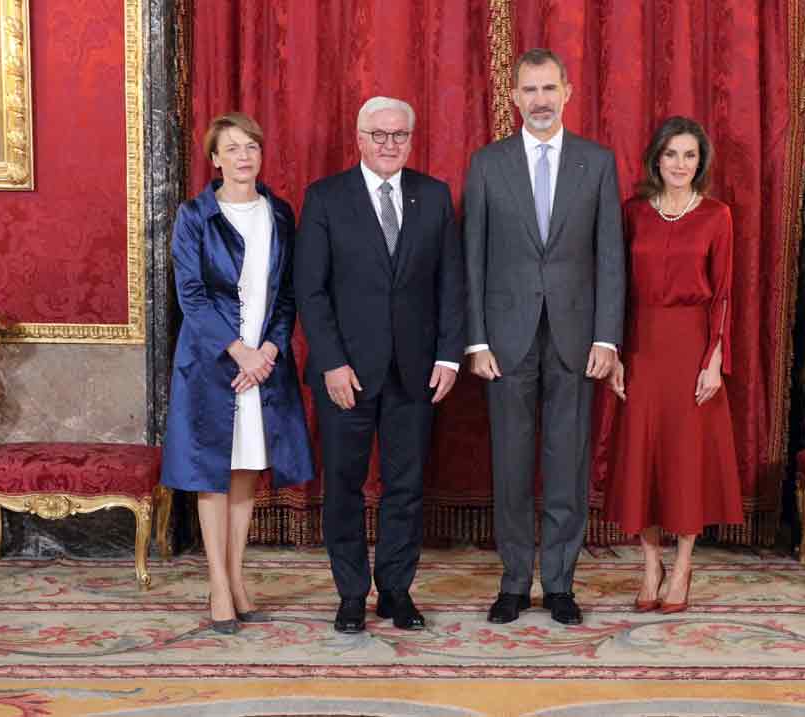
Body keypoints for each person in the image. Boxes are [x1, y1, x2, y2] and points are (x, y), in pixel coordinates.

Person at [463, 49, 625, 626]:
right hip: (505, 340)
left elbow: (611, 256)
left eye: (549, 89)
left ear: (568, 92)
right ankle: (512, 582)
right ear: (513, 97)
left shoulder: (597, 162)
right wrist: (475, 340)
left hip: (577, 339)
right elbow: (472, 258)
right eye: (529, 90)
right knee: (510, 464)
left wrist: (607, 337)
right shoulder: (487, 163)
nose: (539, 100)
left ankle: (558, 582)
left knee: (567, 462)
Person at [294, 96, 465, 634]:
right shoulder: (325, 198)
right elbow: (310, 291)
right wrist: (332, 364)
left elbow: (451, 285)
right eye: (379, 135)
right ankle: (350, 593)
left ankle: (395, 590)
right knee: (343, 485)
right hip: (347, 373)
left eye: (399, 136)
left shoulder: (434, 197)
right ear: (359, 137)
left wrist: (448, 355)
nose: (389, 145)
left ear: (411, 140)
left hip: (415, 371)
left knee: (406, 485)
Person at [161, 112, 315, 634]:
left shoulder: (281, 213)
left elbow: (287, 295)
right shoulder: (195, 216)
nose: (244, 156)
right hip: (212, 365)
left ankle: (238, 577)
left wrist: (269, 350)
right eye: (232, 148)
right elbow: (192, 297)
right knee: (213, 473)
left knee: (248, 468)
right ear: (215, 159)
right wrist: (239, 353)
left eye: (251, 146)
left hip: (262, 366)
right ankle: (218, 585)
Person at [604, 115, 743, 614]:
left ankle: (682, 565)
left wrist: (715, 360)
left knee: (685, 460)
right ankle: (649, 565)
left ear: (700, 161)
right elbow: (615, 289)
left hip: (691, 346)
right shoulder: (633, 213)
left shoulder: (717, 216)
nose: (680, 164)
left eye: (689, 155)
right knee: (642, 456)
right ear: (655, 160)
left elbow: (723, 293)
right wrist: (615, 353)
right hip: (641, 343)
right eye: (671, 154)